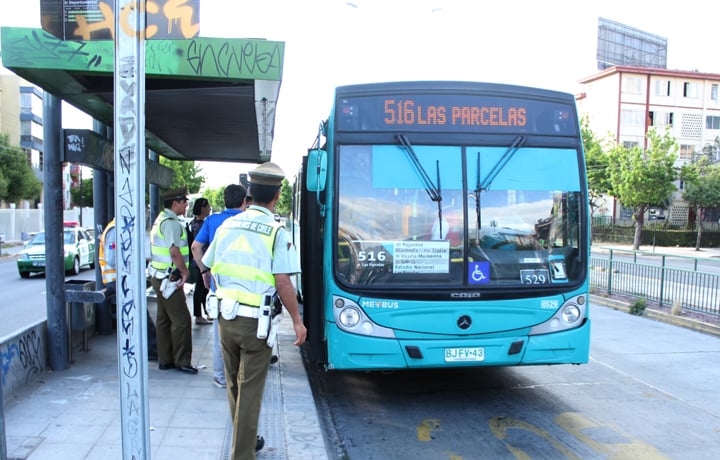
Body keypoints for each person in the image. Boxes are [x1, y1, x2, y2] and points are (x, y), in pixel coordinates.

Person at [202, 163, 307, 459]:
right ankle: (242, 453)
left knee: (235, 385)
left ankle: (243, 441)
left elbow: (208, 264)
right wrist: (297, 321)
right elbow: (283, 280)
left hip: (225, 318)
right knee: (250, 392)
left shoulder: (226, 225)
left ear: (249, 194)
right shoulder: (275, 232)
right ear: (276, 196)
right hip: (255, 325)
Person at [191, 184, 249, 389]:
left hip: (220, 289)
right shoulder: (248, 221)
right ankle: (241, 377)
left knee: (220, 335)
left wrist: (204, 271)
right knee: (245, 336)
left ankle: (220, 377)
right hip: (247, 290)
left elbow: (196, 247)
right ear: (244, 201)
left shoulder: (212, 221)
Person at [147, 186, 197, 375]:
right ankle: (181, 361)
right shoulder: (171, 223)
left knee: (164, 319)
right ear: (175, 203)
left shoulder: (160, 219)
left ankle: (165, 359)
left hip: (158, 276)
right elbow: (174, 251)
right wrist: (184, 272)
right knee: (182, 320)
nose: (186, 206)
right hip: (169, 278)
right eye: (184, 202)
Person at [98, 217, 158, 361]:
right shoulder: (114, 229)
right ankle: (150, 347)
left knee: (138, 312)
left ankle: (149, 346)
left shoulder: (118, 227)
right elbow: (112, 259)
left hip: (121, 278)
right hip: (117, 279)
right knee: (139, 312)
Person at [189, 197, 212, 325]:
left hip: (200, 260)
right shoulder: (200, 225)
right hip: (201, 261)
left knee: (203, 288)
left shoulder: (195, 223)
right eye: (208, 206)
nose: (209, 209)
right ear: (202, 207)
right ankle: (199, 314)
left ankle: (204, 312)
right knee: (200, 288)